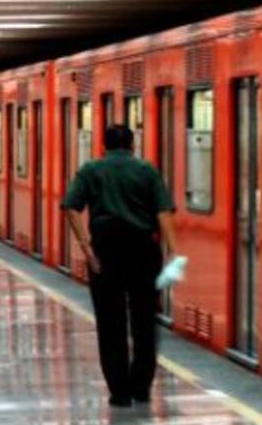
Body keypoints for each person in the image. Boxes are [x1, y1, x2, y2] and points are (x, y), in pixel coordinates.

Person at [61, 125, 178, 408]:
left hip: (106, 251)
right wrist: (172, 252)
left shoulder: (91, 170)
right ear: (132, 145)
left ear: (103, 146)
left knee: (110, 322)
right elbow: (163, 213)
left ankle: (120, 392)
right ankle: (141, 387)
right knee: (144, 320)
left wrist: (86, 247)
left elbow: (70, 207)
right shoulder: (147, 171)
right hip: (143, 251)